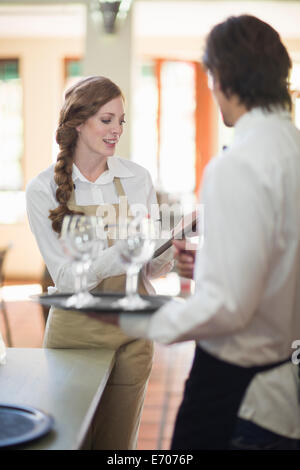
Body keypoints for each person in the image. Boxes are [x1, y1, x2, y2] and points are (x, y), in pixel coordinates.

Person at [99, 15, 300, 449]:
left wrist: (130, 316)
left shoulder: (237, 165)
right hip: (285, 389)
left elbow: (226, 308)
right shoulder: (293, 150)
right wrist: (212, 263)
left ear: (224, 78)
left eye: (210, 78)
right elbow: (281, 260)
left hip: (237, 394)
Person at [25, 76, 174, 450]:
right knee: (68, 442)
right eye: (107, 120)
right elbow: (66, 277)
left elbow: (151, 272)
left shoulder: (137, 178)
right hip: (74, 336)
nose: (117, 130)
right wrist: (123, 250)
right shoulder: (42, 190)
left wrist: (168, 248)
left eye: (121, 121)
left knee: (117, 446)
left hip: (132, 336)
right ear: (77, 122)